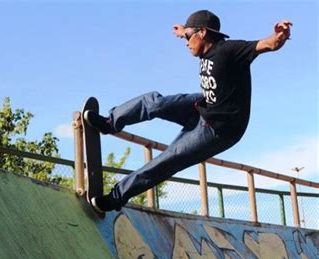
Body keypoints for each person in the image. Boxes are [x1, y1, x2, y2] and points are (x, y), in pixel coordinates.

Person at [85, 9, 292, 213]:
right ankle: (110, 122)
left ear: (202, 33)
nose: (186, 42)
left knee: (169, 158)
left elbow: (268, 45)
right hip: (202, 106)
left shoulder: (231, 51)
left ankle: (115, 198)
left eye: (187, 37)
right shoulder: (201, 41)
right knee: (155, 102)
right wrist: (184, 30)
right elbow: (191, 33)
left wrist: (279, 36)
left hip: (219, 130)